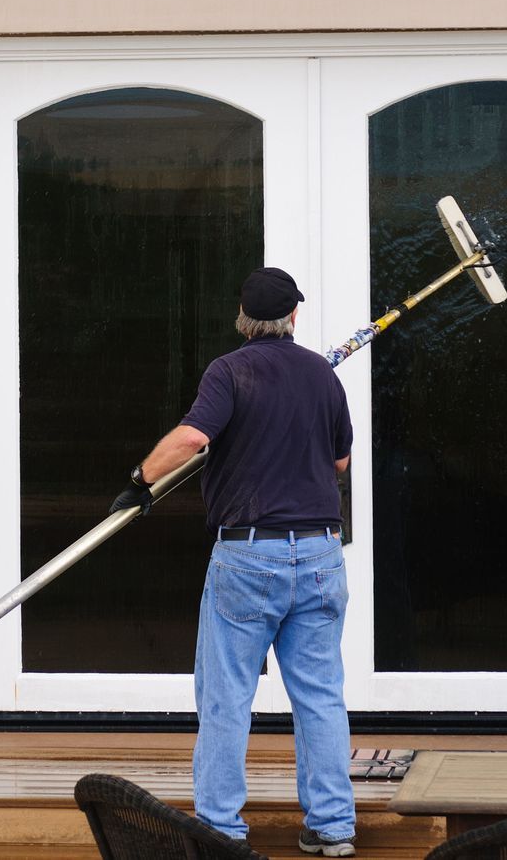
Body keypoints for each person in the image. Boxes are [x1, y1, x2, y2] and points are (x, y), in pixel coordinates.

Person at [114, 266, 356, 858]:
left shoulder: (231, 370)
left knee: (226, 697)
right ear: (294, 316)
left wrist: (140, 481)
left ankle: (220, 830)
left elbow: (192, 439)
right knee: (320, 696)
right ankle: (332, 827)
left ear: (242, 319)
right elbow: (340, 465)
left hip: (250, 556)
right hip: (321, 553)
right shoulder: (322, 377)